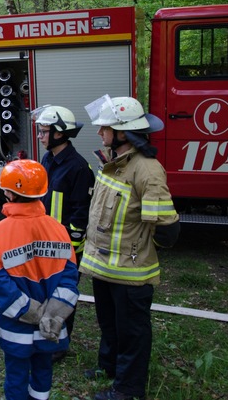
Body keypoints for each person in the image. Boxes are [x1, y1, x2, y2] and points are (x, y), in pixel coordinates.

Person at [81, 95, 180, 400]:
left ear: (123, 132)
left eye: (105, 128)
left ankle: (128, 388)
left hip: (132, 273)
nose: (100, 133)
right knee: (109, 323)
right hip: (104, 267)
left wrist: (139, 249)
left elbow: (167, 229)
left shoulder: (147, 170)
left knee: (132, 332)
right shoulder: (113, 164)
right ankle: (108, 366)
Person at [0, 159, 79, 400]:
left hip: (16, 327)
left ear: (10, 194)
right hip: (51, 326)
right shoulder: (58, 229)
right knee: (43, 372)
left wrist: (31, 311)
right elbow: (70, 277)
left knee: (16, 376)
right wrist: (51, 314)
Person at [33, 105, 95, 362]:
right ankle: (44, 334)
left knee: (64, 294)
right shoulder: (48, 159)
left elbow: (81, 213)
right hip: (45, 241)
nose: (40, 136)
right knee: (44, 291)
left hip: (66, 246)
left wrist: (71, 248)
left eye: (44, 131)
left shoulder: (79, 168)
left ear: (60, 133)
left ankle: (60, 342)